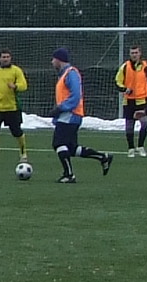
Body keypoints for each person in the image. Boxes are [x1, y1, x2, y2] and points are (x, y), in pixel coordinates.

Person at [49, 45, 115, 183]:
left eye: (53, 59)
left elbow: (76, 96)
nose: (52, 62)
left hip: (69, 115)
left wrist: (61, 108)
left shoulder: (71, 73)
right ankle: (102, 157)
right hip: (69, 115)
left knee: (58, 143)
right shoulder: (65, 74)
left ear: (59, 59)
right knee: (71, 148)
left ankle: (69, 175)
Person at [0, 48, 30, 165]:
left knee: (17, 132)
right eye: (3, 57)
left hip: (12, 107)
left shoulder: (16, 71)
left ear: (10, 58)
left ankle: (23, 154)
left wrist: (15, 86)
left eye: (7, 57)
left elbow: (24, 85)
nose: (5, 59)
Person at [116, 45, 147, 156]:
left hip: (142, 100)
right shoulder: (125, 67)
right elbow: (117, 81)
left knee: (145, 123)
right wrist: (125, 89)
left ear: (140, 53)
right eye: (132, 53)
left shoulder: (146, 66)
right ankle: (131, 148)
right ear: (130, 54)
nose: (134, 55)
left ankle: (141, 146)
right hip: (129, 101)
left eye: (136, 53)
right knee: (129, 126)